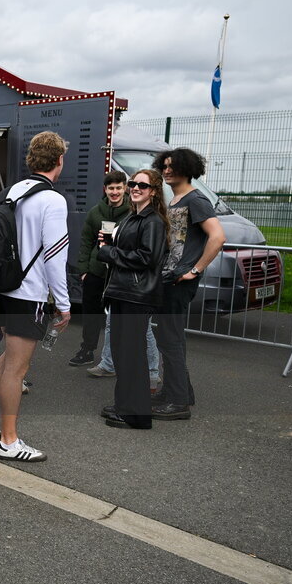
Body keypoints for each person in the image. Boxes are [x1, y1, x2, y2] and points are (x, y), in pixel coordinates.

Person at [0, 131, 71, 462]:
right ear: (59, 160)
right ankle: (9, 441)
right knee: (18, 367)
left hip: (2, 287)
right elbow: (55, 255)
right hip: (28, 294)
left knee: (7, 356)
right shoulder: (52, 200)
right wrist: (65, 304)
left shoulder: (15, 191)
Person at [151, 148, 226, 420]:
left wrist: (195, 270)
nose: (167, 170)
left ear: (188, 168)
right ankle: (178, 391)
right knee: (169, 338)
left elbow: (217, 237)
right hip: (168, 278)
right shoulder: (175, 200)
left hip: (179, 281)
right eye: (165, 165)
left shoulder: (196, 199)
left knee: (170, 339)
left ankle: (178, 403)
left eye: (173, 166)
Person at [97, 169, 169, 429]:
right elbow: (128, 249)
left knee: (132, 353)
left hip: (136, 295)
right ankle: (124, 405)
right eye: (133, 183)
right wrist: (108, 242)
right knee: (121, 352)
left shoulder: (153, 221)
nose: (135, 188)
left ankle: (137, 415)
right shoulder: (132, 217)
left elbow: (146, 258)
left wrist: (109, 253)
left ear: (153, 191)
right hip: (122, 291)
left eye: (142, 185)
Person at [69, 171, 130, 366]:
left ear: (125, 188)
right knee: (91, 313)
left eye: (119, 188)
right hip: (95, 272)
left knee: (119, 317)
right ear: (105, 189)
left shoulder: (132, 212)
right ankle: (87, 350)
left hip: (120, 272)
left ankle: (117, 356)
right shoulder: (95, 212)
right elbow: (86, 241)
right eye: (111, 188)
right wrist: (84, 270)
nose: (115, 192)